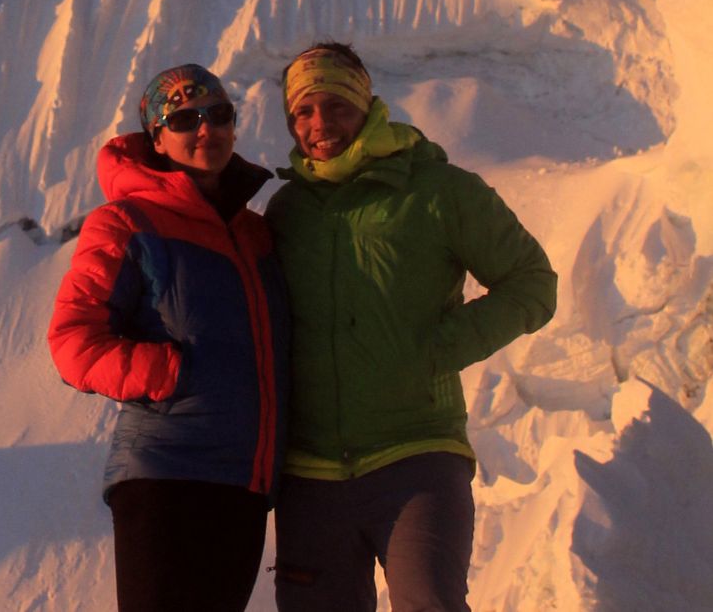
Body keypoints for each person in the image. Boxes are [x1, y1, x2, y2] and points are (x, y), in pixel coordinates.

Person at [266, 42, 557, 612]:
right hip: (310, 474)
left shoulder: (439, 191)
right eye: (303, 110)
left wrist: (438, 350)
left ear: (368, 106)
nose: (320, 124)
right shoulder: (287, 211)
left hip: (416, 455)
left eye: (337, 106)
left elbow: (532, 282)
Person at [48, 64, 289, 612]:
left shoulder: (255, 233)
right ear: (157, 138)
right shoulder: (126, 221)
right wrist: (168, 374)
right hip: (166, 474)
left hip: (244, 482)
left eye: (219, 114)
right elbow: (73, 342)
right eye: (185, 119)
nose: (207, 129)